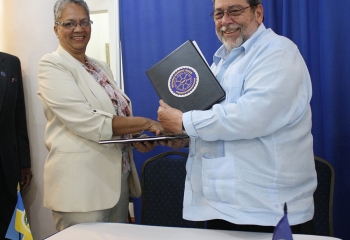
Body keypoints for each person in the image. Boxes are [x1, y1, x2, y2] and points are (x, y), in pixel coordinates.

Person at [157, 0, 317, 234]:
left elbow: (253, 116)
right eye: (219, 13)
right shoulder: (220, 63)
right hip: (221, 206)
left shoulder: (278, 52)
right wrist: (185, 136)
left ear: (258, 12)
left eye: (235, 11)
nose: (225, 21)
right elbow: (216, 125)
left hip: (266, 210)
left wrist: (184, 122)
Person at [37, 0, 163, 231]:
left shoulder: (100, 67)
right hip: (81, 190)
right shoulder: (52, 65)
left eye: (85, 22)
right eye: (69, 23)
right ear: (56, 29)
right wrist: (145, 123)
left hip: (117, 182)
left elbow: (114, 116)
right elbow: (90, 122)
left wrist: (134, 139)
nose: (79, 29)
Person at [0, 52, 32, 239]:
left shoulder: (11, 63)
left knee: (7, 230)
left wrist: (24, 162)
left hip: (6, 167)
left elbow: (19, 116)